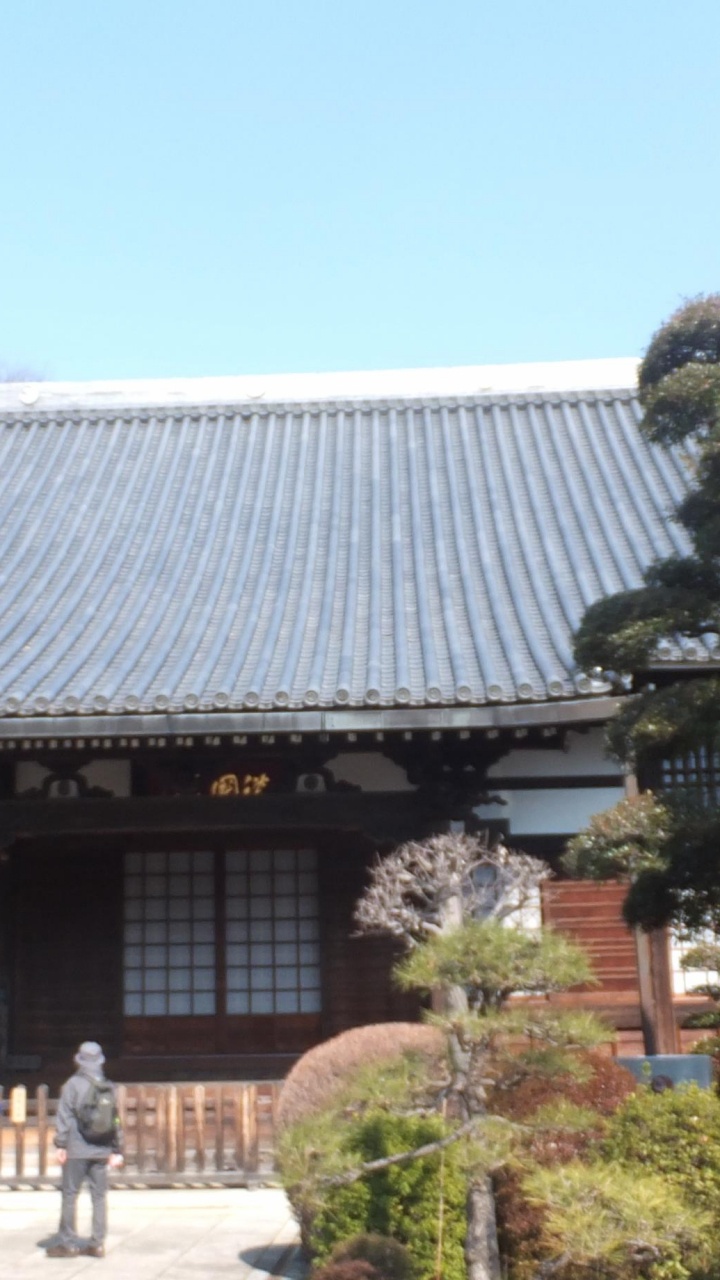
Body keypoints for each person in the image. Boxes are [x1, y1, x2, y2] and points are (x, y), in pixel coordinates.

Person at [46, 1041, 123, 1259]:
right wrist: (117, 1149)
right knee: (99, 1197)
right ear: (100, 1060)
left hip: (76, 1150)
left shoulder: (72, 1085)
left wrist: (60, 1144)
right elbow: (115, 1120)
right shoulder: (108, 1086)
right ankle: (97, 1243)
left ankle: (68, 1243)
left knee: (70, 1194)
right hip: (101, 1150)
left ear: (79, 1060)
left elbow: (64, 1117)